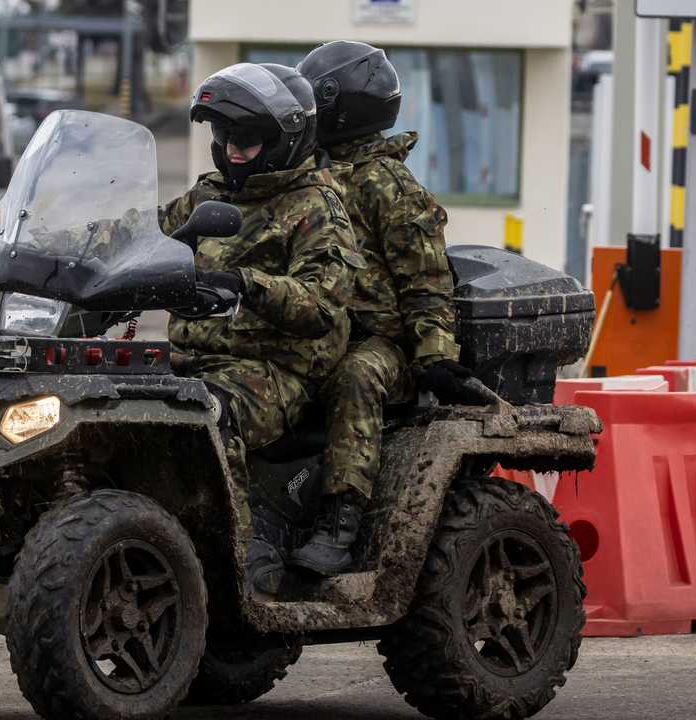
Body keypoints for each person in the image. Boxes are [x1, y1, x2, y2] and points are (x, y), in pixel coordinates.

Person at [160, 63, 363, 591]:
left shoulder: (316, 208)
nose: (231, 149)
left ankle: (239, 559)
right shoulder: (209, 197)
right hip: (191, 360)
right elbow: (144, 240)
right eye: (224, 136)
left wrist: (247, 283)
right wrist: (58, 248)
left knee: (205, 412)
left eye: (247, 139)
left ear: (284, 140)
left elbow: (322, 305)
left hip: (277, 372)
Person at [290, 41, 486, 576]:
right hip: (313, 329)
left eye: (314, 100)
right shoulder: (302, 174)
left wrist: (435, 356)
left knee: (356, 375)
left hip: (381, 346)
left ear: (340, 105)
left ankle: (340, 520)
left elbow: (427, 283)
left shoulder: (390, 186)